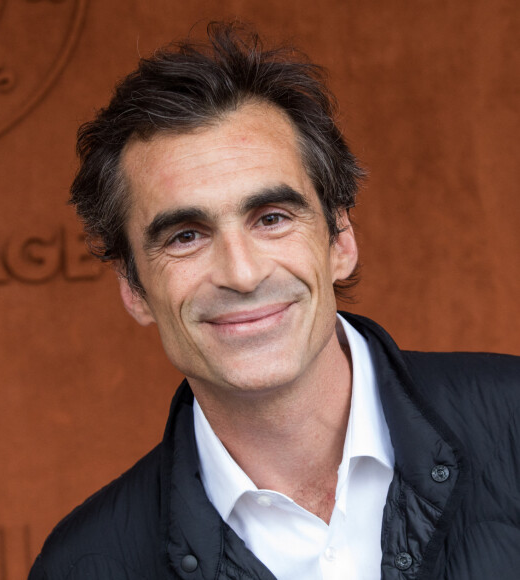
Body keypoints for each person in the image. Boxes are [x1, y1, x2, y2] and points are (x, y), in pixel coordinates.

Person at [28, 21, 520, 580]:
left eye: (272, 218)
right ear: (134, 289)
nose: (241, 273)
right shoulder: (84, 566)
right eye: (186, 235)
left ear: (340, 240)